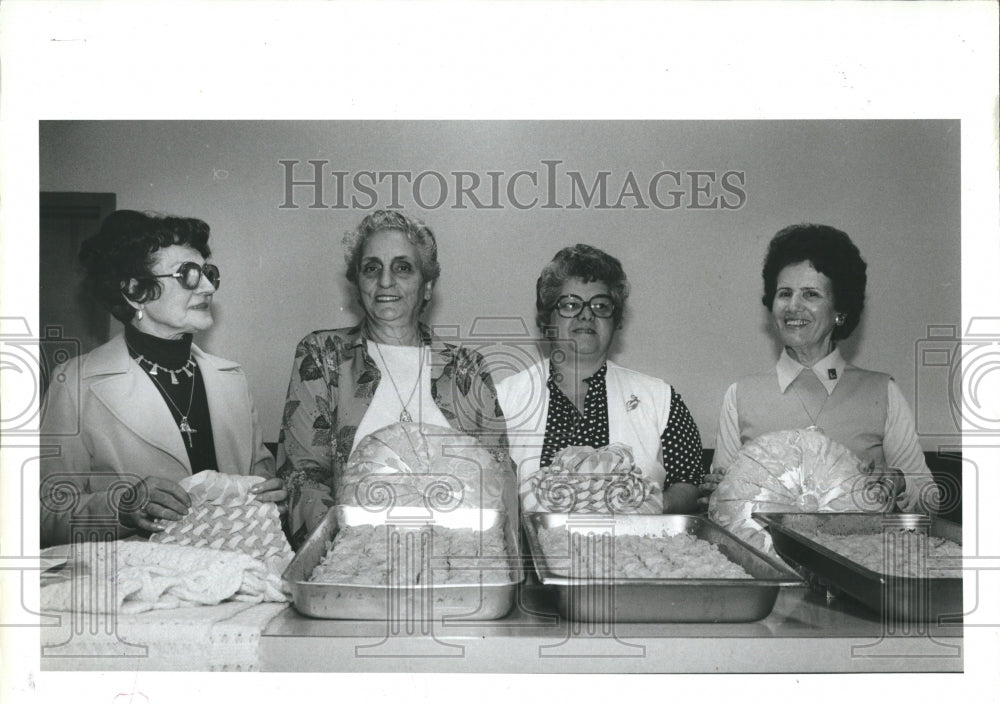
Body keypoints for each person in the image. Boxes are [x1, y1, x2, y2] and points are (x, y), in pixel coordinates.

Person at [40, 210, 285, 548]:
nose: (209, 287)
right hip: (137, 585)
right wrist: (120, 508)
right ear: (135, 291)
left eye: (209, 273)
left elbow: (264, 484)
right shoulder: (76, 383)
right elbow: (41, 513)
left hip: (236, 574)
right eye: (189, 275)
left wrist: (275, 497)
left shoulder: (232, 379)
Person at [277, 210, 510, 547]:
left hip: (457, 562)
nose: (386, 281)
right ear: (358, 283)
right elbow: (304, 477)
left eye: (402, 267)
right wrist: (350, 553)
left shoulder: (466, 368)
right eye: (372, 268)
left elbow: (499, 477)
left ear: (427, 285)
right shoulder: (323, 356)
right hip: (353, 561)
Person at [704, 223, 937, 512]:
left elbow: (929, 499)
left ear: (840, 310)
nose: (793, 306)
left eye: (811, 294)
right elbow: (723, 505)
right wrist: (717, 491)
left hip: (857, 555)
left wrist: (899, 482)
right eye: (785, 293)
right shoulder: (740, 395)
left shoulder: (883, 392)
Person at [495, 243, 704, 513]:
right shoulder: (501, 399)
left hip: (634, 551)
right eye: (570, 304)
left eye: (601, 305)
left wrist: (647, 504)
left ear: (616, 320)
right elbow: (485, 490)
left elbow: (688, 482)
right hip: (532, 553)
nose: (586, 314)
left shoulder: (661, 398)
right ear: (547, 318)